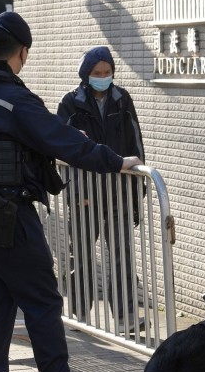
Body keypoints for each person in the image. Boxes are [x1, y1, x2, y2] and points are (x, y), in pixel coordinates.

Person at [0, 11, 141, 372]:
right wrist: (114, 160)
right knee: (44, 299)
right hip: (7, 212)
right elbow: (60, 139)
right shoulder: (9, 96)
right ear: (24, 53)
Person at [56, 46, 146, 333]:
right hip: (84, 196)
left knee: (122, 256)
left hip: (118, 191)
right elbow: (63, 151)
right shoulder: (71, 103)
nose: (103, 78)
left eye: (107, 73)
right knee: (81, 256)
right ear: (86, 74)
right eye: (97, 73)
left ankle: (126, 318)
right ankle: (80, 315)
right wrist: (73, 192)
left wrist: (136, 192)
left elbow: (136, 144)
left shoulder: (122, 99)